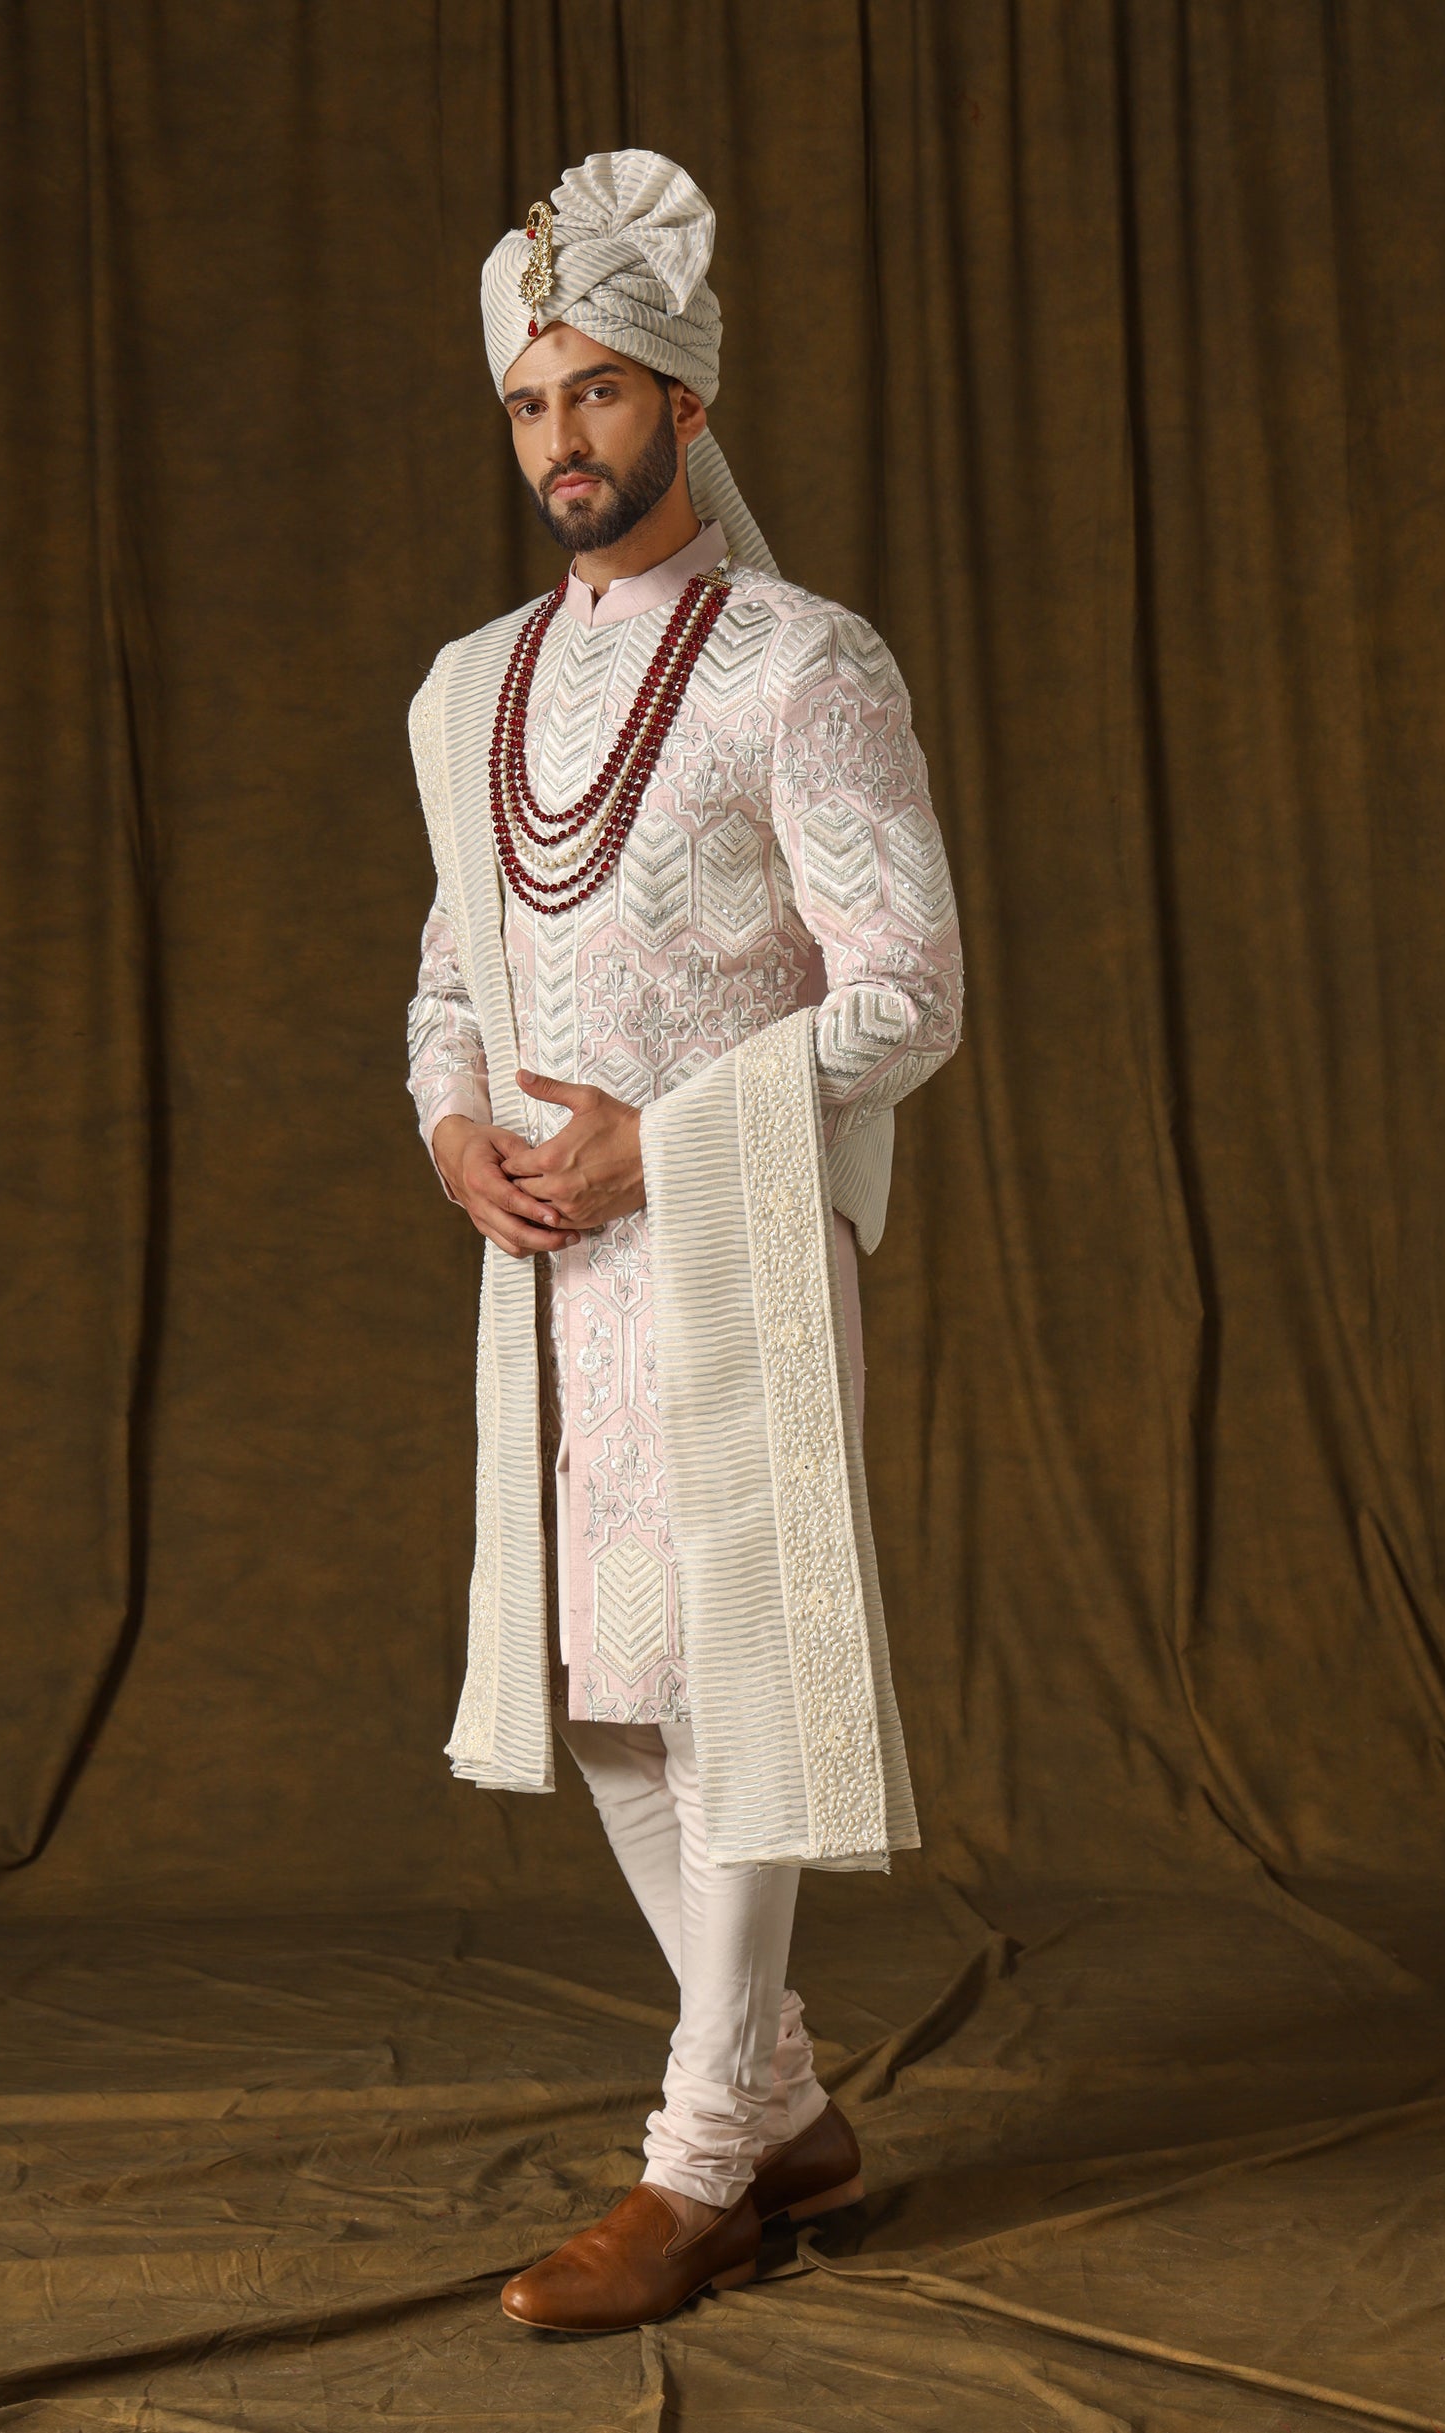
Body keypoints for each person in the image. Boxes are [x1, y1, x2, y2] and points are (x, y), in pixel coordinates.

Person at [404, 150, 964, 2333]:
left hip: (729, 1242)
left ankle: (701, 2158)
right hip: (545, 1259)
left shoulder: (803, 664)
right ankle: (789, 2106)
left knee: (726, 1681)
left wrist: (674, 1140)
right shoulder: (469, 689)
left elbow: (908, 989)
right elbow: (451, 975)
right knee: (606, 1697)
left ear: (687, 405)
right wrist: (454, 1127)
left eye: (602, 392)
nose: (564, 436)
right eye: (531, 401)